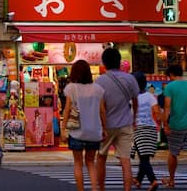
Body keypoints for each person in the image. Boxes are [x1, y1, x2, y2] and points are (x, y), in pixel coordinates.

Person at [95, 48, 139, 191]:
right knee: (125, 161)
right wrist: (134, 119)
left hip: (107, 125)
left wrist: (101, 125)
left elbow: (100, 108)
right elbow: (135, 101)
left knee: (101, 157)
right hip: (126, 123)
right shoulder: (130, 78)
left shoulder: (100, 81)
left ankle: (101, 188)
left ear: (104, 63)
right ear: (119, 61)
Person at [63, 59, 107, 191]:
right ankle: (94, 188)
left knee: (78, 163)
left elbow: (67, 110)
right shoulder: (98, 89)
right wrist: (105, 128)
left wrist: (63, 128)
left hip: (76, 132)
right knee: (90, 162)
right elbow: (102, 111)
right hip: (94, 132)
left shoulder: (71, 88)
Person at [132, 72, 161, 191]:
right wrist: (158, 124)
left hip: (139, 129)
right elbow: (157, 113)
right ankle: (138, 179)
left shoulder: (132, 97)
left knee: (143, 158)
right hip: (151, 129)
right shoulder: (150, 96)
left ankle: (153, 180)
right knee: (144, 157)